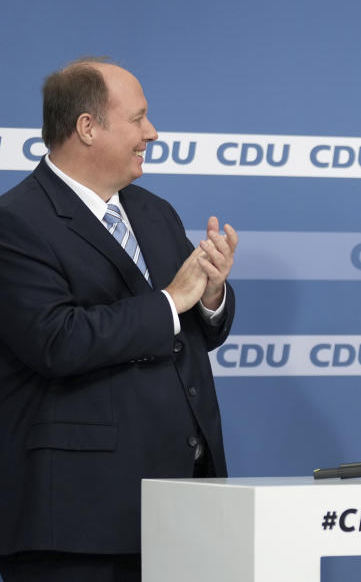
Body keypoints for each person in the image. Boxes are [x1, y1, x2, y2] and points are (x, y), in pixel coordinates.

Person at [0, 58, 238, 582]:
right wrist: (171, 301)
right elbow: (55, 341)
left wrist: (212, 294)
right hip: (78, 522)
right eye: (138, 119)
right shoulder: (16, 222)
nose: (151, 133)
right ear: (87, 127)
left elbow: (188, 325)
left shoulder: (154, 211)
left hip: (181, 503)